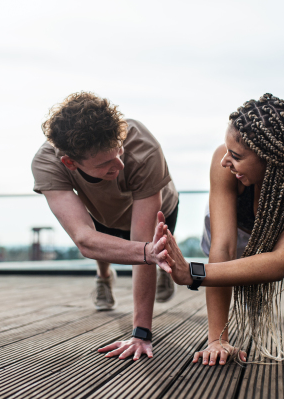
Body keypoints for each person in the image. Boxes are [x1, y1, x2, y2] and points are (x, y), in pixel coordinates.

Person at [158, 93, 284, 366]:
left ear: (270, 161)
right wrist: (217, 339)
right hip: (240, 227)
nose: (224, 161)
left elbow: (280, 262)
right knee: (230, 256)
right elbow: (222, 249)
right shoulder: (225, 165)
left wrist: (192, 273)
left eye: (235, 155)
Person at [31, 91, 179, 360]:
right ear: (70, 163)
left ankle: (162, 271)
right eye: (105, 163)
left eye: (120, 151)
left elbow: (143, 242)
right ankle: (104, 278)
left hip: (159, 208)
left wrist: (141, 333)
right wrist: (149, 253)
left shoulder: (143, 147)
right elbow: (85, 238)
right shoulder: (47, 164)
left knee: (148, 251)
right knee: (118, 242)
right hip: (102, 213)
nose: (120, 165)